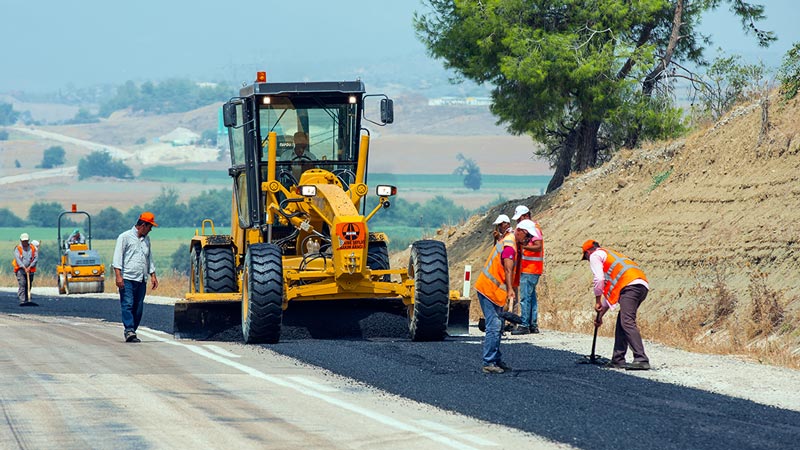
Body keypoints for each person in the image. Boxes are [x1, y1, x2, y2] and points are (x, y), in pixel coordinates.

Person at [474, 218, 535, 374]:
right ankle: (488, 362)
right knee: (494, 326)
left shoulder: (512, 242)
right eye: (527, 237)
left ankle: (496, 359)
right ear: (520, 231)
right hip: (488, 289)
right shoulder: (509, 246)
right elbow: (508, 269)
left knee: (498, 325)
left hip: (494, 291)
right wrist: (510, 290)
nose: (528, 241)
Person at [581, 239, 651, 370]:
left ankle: (641, 359)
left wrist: (597, 300)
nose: (588, 260)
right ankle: (618, 359)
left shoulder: (595, 255)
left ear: (588, 252)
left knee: (627, 321)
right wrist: (600, 316)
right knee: (622, 322)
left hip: (630, 286)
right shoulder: (610, 255)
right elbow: (611, 295)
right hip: (640, 285)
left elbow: (599, 279)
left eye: (586, 257)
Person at [112, 212, 159, 343]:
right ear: (143, 225)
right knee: (127, 304)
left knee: (138, 308)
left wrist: (153, 275)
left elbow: (149, 258)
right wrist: (118, 276)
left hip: (141, 279)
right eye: (150, 227)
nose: (151, 230)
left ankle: (132, 330)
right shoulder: (124, 237)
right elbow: (117, 257)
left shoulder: (146, 240)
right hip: (127, 278)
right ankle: (129, 330)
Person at [512, 212, 544, 335]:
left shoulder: (533, 229)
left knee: (525, 297)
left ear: (525, 216)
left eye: (519, 219)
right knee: (532, 298)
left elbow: (538, 246)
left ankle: (524, 325)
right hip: (532, 269)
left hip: (530, 269)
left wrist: (523, 246)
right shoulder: (533, 228)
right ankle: (533, 324)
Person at [12, 233, 38, 306]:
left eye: (26, 241)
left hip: (30, 269)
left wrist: (30, 267)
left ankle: (27, 298)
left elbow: (36, 258)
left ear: (28, 240)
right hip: (20, 269)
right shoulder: (18, 248)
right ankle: (22, 300)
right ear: (21, 240)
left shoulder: (33, 248)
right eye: (23, 241)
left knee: (28, 284)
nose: (25, 242)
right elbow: (18, 260)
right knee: (22, 284)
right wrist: (24, 267)